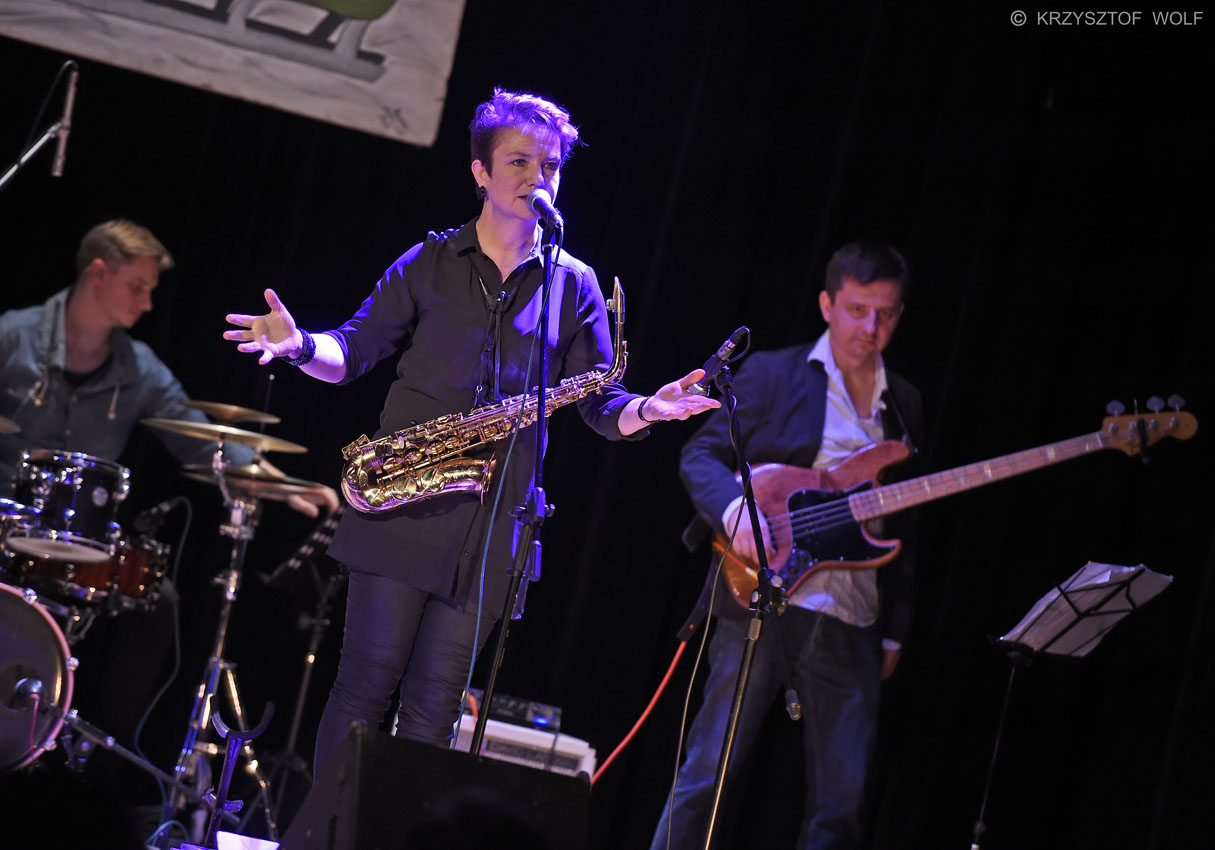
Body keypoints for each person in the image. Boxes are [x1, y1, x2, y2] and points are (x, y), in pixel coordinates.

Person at [223, 88, 719, 775]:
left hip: (494, 528)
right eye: (518, 161)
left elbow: (598, 403)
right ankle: (325, 826)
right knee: (364, 690)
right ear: (480, 172)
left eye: (550, 165)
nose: (537, 177)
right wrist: (301, 344)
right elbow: (353, 349)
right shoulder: (429, 262)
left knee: (434, 714)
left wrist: (648, 410)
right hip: (402, 505)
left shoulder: (575, 286)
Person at [0, 219, 336, 798]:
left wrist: (286, 486)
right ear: (98, 273)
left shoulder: (138, 367)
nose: (148, 302)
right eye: (137, 286)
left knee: (160, 604)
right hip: (6, 522)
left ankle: (93, 770)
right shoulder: (13, 336)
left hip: (79, 542)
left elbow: (200, 438)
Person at [650, 241, 924, 850]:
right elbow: (701, 454)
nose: (870, 328)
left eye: (884, 314)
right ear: (827, 304)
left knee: (841, 806)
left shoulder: (903, 404)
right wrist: (735, 512)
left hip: (853, 615)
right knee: (707, 775)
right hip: (763, 599)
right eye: (857, 310)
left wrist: (896, 629)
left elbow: (906, 521)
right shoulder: (773, 374)